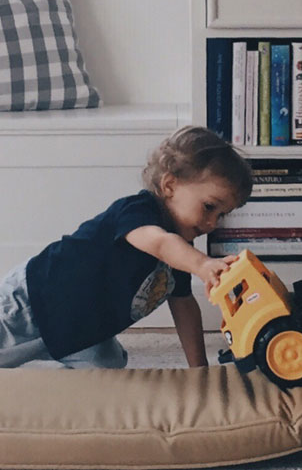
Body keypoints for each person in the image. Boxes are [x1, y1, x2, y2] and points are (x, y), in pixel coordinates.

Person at [0, 126, 252, 369]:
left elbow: (183, 304)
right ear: (169, 186)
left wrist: (199, 369)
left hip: (82, 332)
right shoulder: (137, 211)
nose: (212, 223)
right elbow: (159, 242)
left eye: (221, 215)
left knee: (111, 375)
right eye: (209, 207)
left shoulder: (181, 249)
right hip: (33, 304)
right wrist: (202, 263)